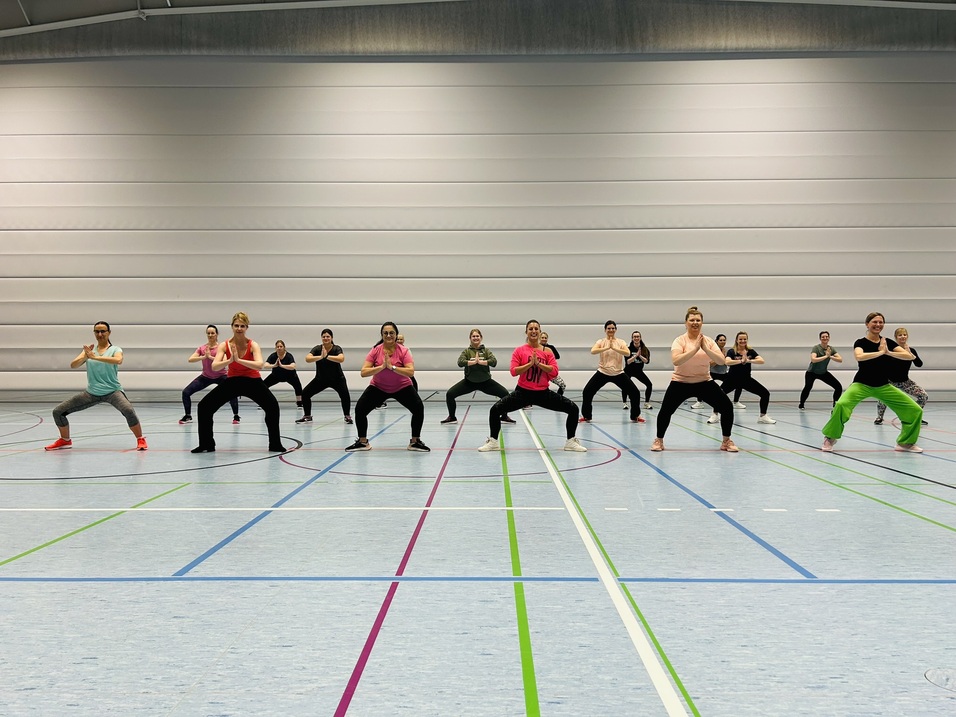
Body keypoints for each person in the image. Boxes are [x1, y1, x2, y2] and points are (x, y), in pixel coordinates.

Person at [478, 320, 586, 452]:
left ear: (540, 332)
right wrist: (529, 364)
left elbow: (554, 371)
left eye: (536, 328)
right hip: (523, 392)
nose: (533, 331)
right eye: (531, 329)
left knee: (573, 409)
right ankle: (493, 441)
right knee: (495, 410)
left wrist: (539, 364)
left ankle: (570, 442)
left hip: (542, 393)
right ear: (526, 332)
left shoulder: (548, 352)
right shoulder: (519, 350)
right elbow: (513, 371)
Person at [821, 312, 922, 453]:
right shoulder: (860, 342)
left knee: (914, 410)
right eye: (874, 322)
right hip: (861, 384)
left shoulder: (887, 343)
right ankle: (830, 437)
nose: (878, 325)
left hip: (883, 385)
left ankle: (905, 443)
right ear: (867, 324)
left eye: (881, 322)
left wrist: (888, 352)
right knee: (842, 405)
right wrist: (880, 353)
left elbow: (909, 355)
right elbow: (859, 357)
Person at [191, 312, 285, 453]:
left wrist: (239, 360)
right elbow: (215, 366)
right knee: (204, 407)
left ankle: (275, 444)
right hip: (233, 381)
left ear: (247, 327)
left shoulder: (253, 344)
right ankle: (206, 444)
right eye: (236, 325)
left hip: (252, 381)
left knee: (272, 406)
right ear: (232, 327)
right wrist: (230, 360)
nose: (239, 328)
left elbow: (259, 364)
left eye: (242, 326)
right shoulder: (225, 345)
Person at [45, 322, 147, 451]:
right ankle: (65, 440)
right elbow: (73, 365)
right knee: (58, 412)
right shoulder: (89, 351)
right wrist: (85, 356)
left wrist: (96, 357)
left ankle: (140, 439)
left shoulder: (115, 349)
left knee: (128, 410)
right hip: (91, 393)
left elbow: (118, 360)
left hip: (112, 392)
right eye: (97, 331)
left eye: (103, 331)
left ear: (109, 332)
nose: (100, 334)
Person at [650, 307, 737, 452]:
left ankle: (726, 441)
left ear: (702, 323)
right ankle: (659, 440)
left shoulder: (708, 341)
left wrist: (705, 348)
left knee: (727, 407)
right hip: (680, 382)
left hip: (704, 382)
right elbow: (676, 360)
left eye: (698, 320)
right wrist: (695, 348)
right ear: (686, 323)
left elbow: (721, 361)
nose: (695, 322)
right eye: (692, 320)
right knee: (665, 411)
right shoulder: (679, 340)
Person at [345, 322, 429, 452]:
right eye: (385, 333)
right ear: (382, 335)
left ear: (396, 335)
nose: (388, 335)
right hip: (378, 387)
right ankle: (362, 442)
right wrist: (381, 367)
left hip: (402, 387)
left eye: (391, 333)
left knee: (418, 408)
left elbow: (410, 372)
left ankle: (415, 441)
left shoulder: (404, 351)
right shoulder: (375, 350)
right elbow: (364, 372)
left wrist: (393, 368)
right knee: (360, 409)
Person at [441, 328, 514, 425]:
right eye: (473, 336)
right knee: (450, 394)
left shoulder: (486, 351)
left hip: (486, 382)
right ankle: (452, 417)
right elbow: (460, 362)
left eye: (477, 336)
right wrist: (472, 362)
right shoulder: (466, 352)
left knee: (505, 394)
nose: (475, 338)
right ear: (470, 338)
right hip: (469, 383)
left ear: (481, 338)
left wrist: (482, 362)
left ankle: (504, 416)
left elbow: (494, 362)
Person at [580, 320, 644, 423]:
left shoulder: (621, 342)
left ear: (616, 330)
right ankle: (587, 416)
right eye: (609, 328)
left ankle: (635, 416)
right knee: (587, 392)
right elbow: (593, 351)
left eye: (613, 328)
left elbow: (627, 353)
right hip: (603, 372)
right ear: (605, 330)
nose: (611, 330)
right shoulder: (601, 341)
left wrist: (614, 348)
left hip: (618, 373)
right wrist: (606, 347)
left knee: (635, 393)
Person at [180, 325, 239, 425]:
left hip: (221, 376)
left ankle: (236, 415)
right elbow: (191, 359)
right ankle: (188, 415)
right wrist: (203, 357)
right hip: (206, 377)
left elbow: (224, 361)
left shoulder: (221, 347)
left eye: (212, 333)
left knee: (232, 392)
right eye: (208, 333)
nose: (210, 335)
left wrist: (210, 357)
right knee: (186, 392)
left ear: (217, 334)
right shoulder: (202, 348)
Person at [296, 328, 352, 425]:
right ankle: (307, 416)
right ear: (321, 338)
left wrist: (327, 357)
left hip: (337, 379)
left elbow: (341, 358)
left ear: (331, 338)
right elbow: (308, 358)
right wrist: (320, 357)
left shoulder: (336, 348)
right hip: (321, 379)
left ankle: (347, 415)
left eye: (328, 337)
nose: (326, 338)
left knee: (345, 396)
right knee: (305, 394)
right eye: (324, 337)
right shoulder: (318, 349)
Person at [875, 327, 928, 426]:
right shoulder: (890, 350)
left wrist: (911, 354)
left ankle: (915, 416)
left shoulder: (911, 350)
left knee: (923, 396)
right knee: (882, 399)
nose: (902, 337)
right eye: (900, 335)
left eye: (904, 334)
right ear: (896, 337)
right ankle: (879, 417)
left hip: (905, 382)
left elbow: (919, 364)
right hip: (890, 381)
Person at [720, 332, 776, 424]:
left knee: (765, 393)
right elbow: (727, 362)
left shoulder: (750, 351)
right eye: (740, 339)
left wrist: (749, 360)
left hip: (746, 380)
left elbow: (761, 360)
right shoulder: (732, 351)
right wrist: (741, 361)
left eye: (744, 339)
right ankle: (715, 414)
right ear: (737, 340)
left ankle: (763, 416)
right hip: (732, 379)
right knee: (719, 395)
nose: (743, 341)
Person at [798, 331, 843, 410]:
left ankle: (835, 404)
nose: (825, 338)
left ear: (829, 338)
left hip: (823, 373)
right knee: (807, 387)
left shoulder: (830, 349)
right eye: (823, 337)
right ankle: (801, 404)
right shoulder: (816, 348)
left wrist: (830, 356)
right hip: (812, 372)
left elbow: (840, 359)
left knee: (838, 387)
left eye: (826, 337)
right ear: (820, 338)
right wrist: (826, 356)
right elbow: (813, 359)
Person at [262, 340, 303, 408]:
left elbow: (293, 366)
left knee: (298, 386)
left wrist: (282, 366)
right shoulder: (273, 356)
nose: (279, 348)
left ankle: (299, 402)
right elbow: (265, 365)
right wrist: (274, 365)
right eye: (277, 346)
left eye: (281, 346)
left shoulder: (289, 356)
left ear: (284, 347)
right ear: (275, 348)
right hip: (276, 376)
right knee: (263, 386)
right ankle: (263, 402)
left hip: (290, 376)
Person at [621, 330, 653, 411]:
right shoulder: (628, 349)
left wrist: (640, 356)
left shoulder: (644, 349)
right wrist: (635, 356)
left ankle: (646, 403)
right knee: (624, 385)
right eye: (634, 337)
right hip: (628, 370)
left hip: (638, 371)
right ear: (632, 338)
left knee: (649, 384)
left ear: (640, 338)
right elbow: (628, 361)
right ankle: (625, 403)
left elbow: (647, 361)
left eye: (638, 337)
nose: (636, 338)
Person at [702, 334, 730, 424]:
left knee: (737, 383)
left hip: (723, 373)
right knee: (713, 392)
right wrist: (719, 358)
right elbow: (710, 364)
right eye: (721, 340)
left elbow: (728, 363)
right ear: (717, 341)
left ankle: (736, 401)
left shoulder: (727, 351)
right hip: (713, 373)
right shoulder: (713, 350)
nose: (723, 342)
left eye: (724, 340)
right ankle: (701, 403)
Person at [539, 331, 567, 396]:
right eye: (542, 337)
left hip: (550, 371)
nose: (544, 339)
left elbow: (557, 356)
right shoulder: (536, 347)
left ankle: (558, 400)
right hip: (540, 372)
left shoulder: (551, 347)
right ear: (539, 338)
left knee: (562, 385)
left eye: (545, 338)